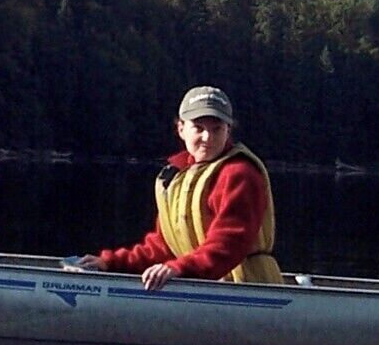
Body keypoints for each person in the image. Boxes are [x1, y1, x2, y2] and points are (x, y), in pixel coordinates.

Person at [66, 86, 284, 289]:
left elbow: (229, 244)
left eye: (216, 129)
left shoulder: (240, 174)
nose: (207, 137)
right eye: (198, 128)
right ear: (181, 129)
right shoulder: (177, 176)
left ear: (228, 131)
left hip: (246, 287)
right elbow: (163, 247)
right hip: (201, 282)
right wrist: (109, 263)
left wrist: (179, 268)